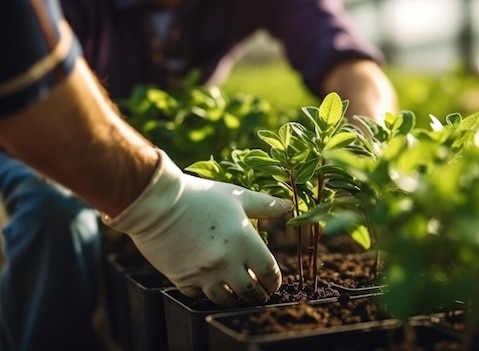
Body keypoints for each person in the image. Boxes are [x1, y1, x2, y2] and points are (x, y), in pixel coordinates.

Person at [0, 0, 398, 350]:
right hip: (37, 133)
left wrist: (371, 147)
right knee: (53, 205)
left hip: (151, 154)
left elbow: (345, 59)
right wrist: (157, 206)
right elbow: (31, 87)